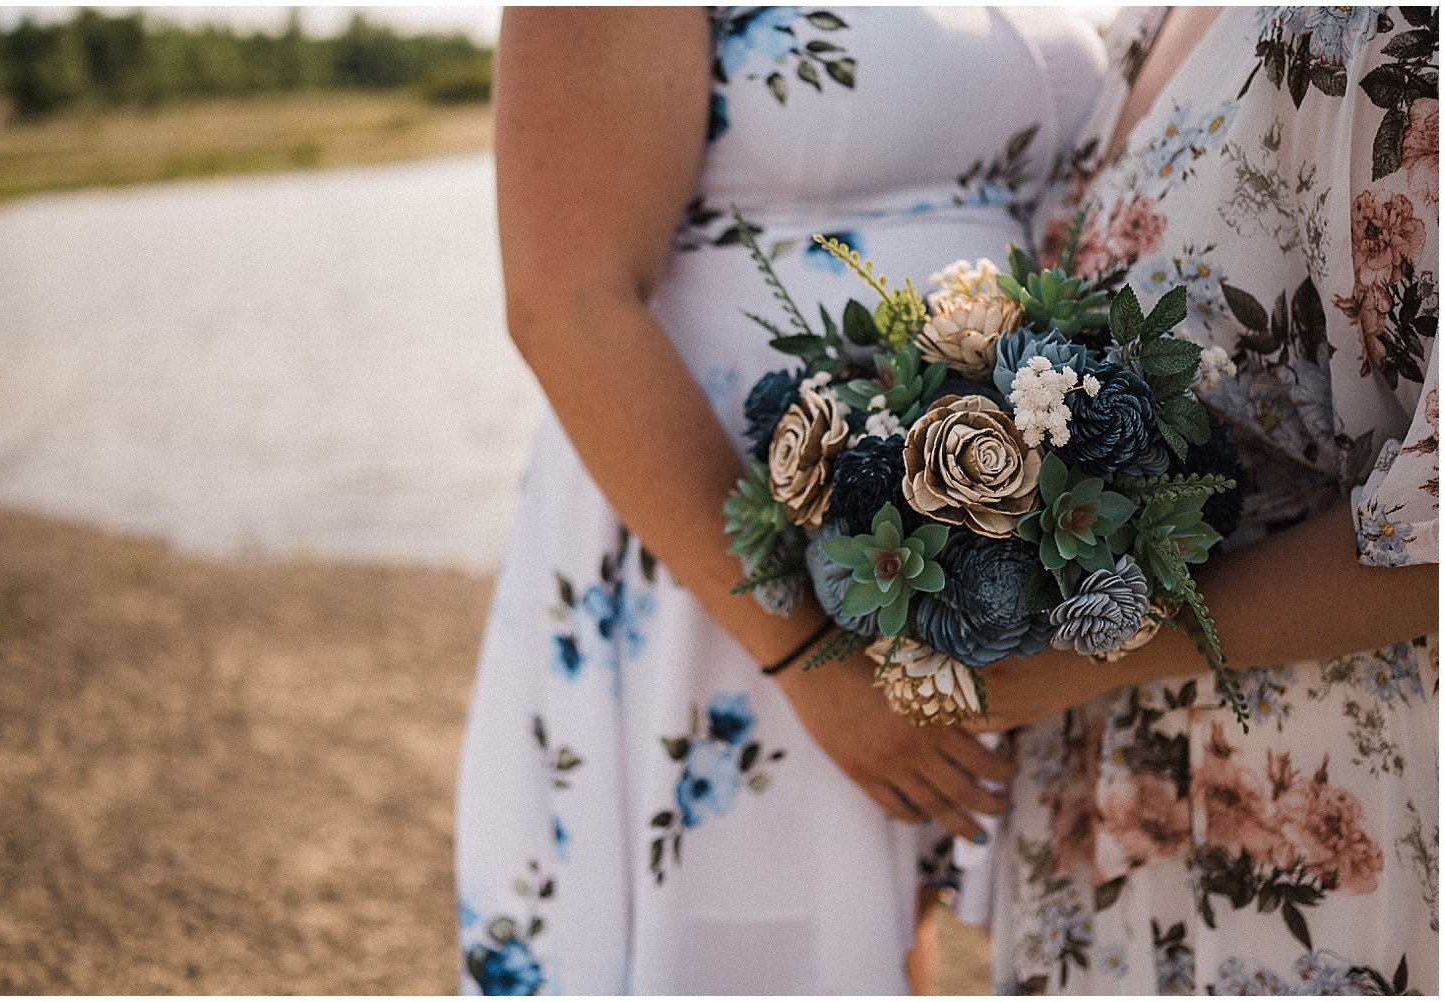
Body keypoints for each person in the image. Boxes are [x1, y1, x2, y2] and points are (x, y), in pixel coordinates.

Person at [454, 7, 1106, 994]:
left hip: (948, 541)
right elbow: (571, 302)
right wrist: (804, 653)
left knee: (877, 934)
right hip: (730, 554)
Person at [975, 6, 1439, 994]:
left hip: (1305, 803)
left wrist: (1106, 647)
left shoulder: (1392, 29)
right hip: (1103, 807)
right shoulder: (1153, 19)